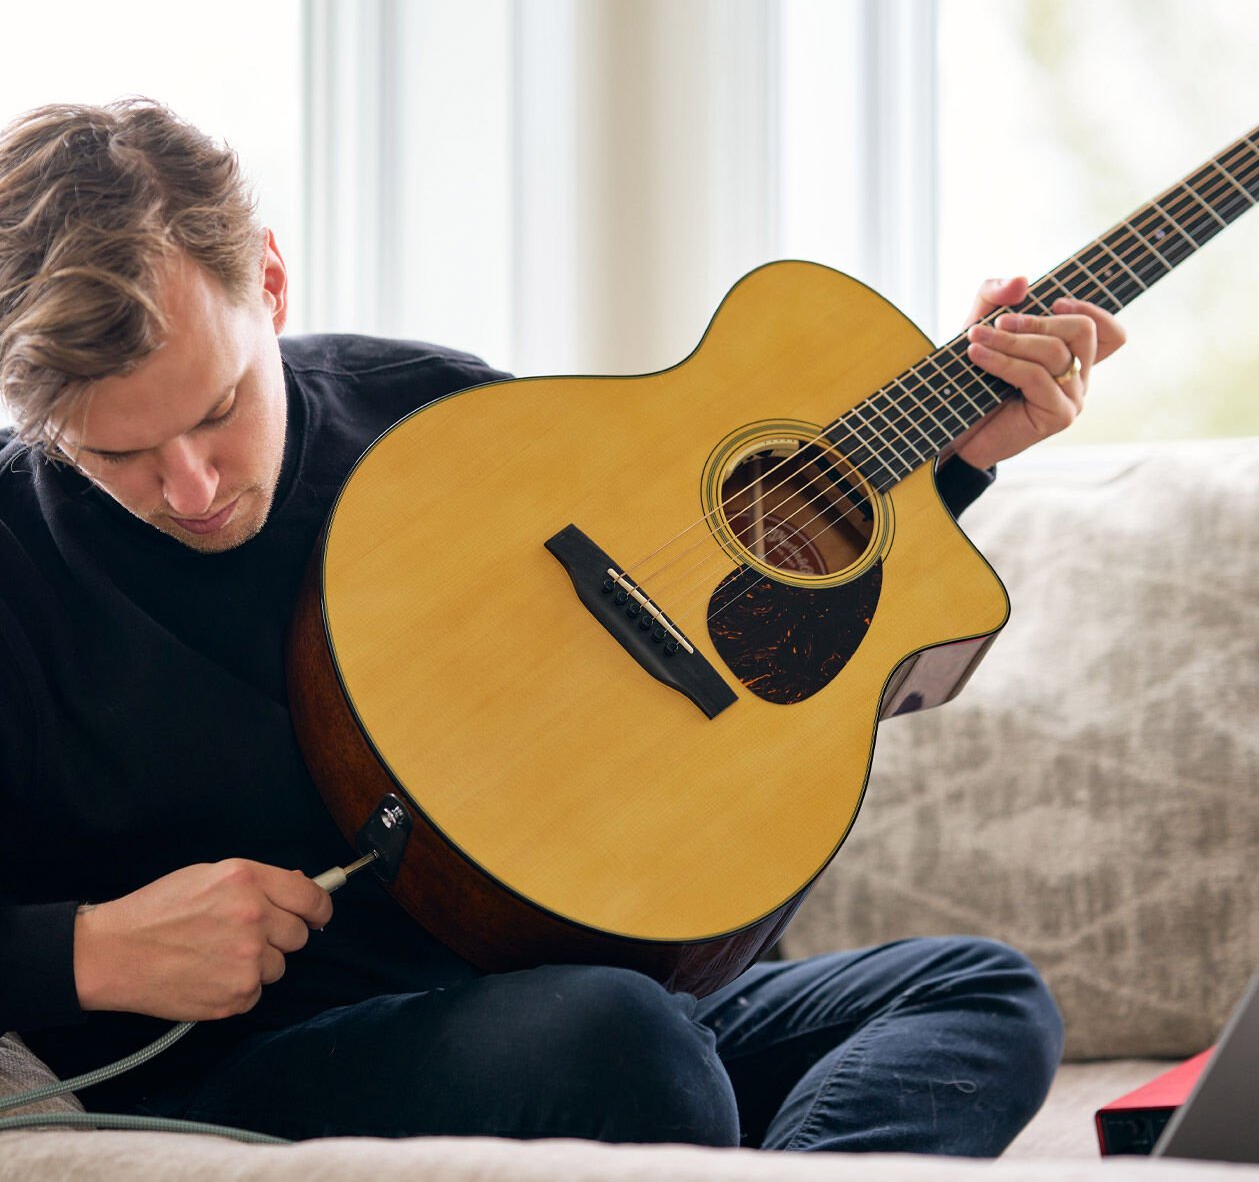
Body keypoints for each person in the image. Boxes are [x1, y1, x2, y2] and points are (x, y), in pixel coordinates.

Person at [0, 99, 1124, 1151]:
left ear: (273, 285)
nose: (191, 487)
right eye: (115, 456)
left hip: (592, 996)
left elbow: (715, 599)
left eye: (218, 409)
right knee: (618, 1040)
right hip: (269, 1066)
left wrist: (947, 466)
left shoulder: (444, 417)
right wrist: (84, 953)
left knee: (979, 993)